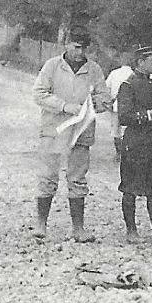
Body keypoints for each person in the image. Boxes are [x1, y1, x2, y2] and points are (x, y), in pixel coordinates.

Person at [32, 29, 110, 242]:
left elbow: (104, 97)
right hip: (54, 129)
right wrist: (65, 106)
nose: (80, 52)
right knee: (47, 176)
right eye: (76, 47)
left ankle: (78, 228)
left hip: (81, 130)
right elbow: (39, 94)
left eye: (84, 48)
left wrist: (93, 105)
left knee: (77, 178)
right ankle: (41, 224)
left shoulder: (93, 69)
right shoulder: (52, 66)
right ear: (66, 44)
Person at [116, 46, 152, 243]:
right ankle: (131, 231)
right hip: (135, 144)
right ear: (140, 61)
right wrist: (149, 115)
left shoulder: (151, 84)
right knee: (130, 188)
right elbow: (123, 116)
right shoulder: (128, 85)